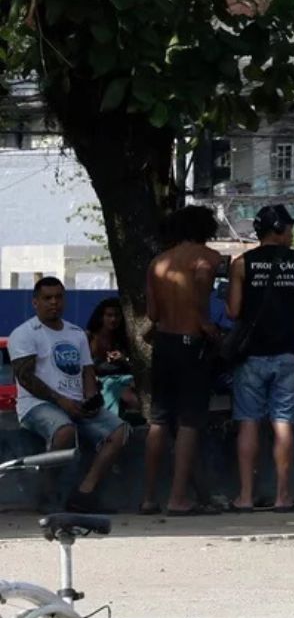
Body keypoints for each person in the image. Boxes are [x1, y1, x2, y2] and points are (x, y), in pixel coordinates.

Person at [9, 276, 132, 512]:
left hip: (76, 404)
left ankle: (84, 493)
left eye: (58, 297)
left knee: (120, 431)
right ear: (35, 302)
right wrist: (61, 401)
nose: (54, 302)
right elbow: (25, 378)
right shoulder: (24, 333)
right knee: (65, 431)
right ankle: (46, 495)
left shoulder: (76, 333)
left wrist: (92, 398)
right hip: (37, 405)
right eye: (47, 298)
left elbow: (87, 372)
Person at [227, 204, 294, 512]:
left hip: (251, 355)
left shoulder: (241, 264)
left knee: (249, 423)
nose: (293, 233)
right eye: (290, 228)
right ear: (278, 229)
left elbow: (233, 311)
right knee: (282, 422)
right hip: (289, 353)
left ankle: (244, 496)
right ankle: (283, 496)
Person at [141, 203, 226, 515]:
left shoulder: (157, 263)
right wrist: (208, 325)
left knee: (159, 420)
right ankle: (178, 498)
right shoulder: (207, 259)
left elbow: (152, 313)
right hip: (192, 344)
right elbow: (203, 297)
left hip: (164, 342)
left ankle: (148, 497)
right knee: (189, 421)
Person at [85, 298, 143, 427]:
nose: (113, 319)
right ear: (101, 317)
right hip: (101, 381)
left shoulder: (124, 338)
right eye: (109, 315)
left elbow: (135, 366)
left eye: (117, 315)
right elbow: (85, 365)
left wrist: (123, 359)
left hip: (126, 379)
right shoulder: (89, 337)